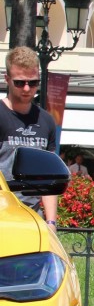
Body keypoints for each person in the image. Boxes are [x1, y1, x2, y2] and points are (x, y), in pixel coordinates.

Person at [0, 46, 60, 227]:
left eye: (33, 83)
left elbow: (49, 177)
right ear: (7, 79)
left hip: (32, 218)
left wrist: (50, 222)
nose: (27, 88)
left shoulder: (47, 121)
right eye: (19, 82)